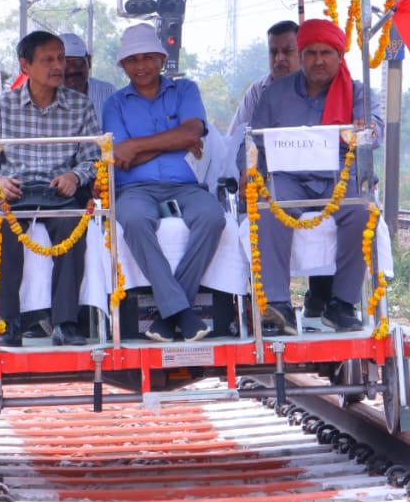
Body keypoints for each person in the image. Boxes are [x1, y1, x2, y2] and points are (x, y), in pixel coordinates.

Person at [240, 17, 384, 335]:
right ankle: (278, 307)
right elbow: (253, 143)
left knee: (362, 211)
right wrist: (247, 169)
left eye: (326, 53)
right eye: (311, 53)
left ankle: (342, 304)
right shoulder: (275, 94)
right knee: (267, 209)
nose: (318, 60)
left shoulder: (357, 93)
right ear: (302, 56)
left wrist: (364, 131)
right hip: (289, 177)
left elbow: (375, 132)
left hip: (339, 177)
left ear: (339, 56)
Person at [0, 31, 100, 347]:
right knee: (1, 228)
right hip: (14, 192)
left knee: (72, 227)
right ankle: (6, 322)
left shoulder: (80, 106)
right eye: (48, 60)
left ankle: (65, 324)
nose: (58, 67)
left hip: (58, 192)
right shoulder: (1, 106)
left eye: (61, 59)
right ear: (25, 65)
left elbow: (94, 159)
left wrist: (75, 177)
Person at [101, 23, 226, 343]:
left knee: (212, 217)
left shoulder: (185, 90)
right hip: (134, 189)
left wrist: (138, 145)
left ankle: (169, 314)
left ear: (160, 58)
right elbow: (119, 157)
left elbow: (190, 133)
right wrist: (175, 140)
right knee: (134, 219)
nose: (140, 65)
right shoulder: (114, 104)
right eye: (132, 60)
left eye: (147, 57)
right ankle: (183, 314)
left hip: (185, 187)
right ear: (123, 66)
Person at [228, 20, 333, 318]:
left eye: (288, 51)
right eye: (273, 52)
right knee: (263, 204)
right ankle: (271, 304)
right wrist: (247, 170)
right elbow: (241, 141)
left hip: (321, 180)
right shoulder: (259, 91)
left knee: (348, 206)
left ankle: (325, 298)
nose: (279, 59)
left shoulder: (327, 89)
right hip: (274, 182)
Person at [58, 33, 118, 127]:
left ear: (89, 61)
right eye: (65, 62)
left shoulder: (108, 92)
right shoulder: (46, 98)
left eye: (78, 61)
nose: (72, 69)